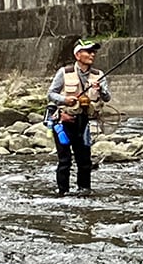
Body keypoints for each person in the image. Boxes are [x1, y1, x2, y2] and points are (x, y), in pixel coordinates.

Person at [47, 38, 112, 196]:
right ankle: (63, 192)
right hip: (62, 122)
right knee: (65, 161)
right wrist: (65, 100)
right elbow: (51, 94)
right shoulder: (64, 72)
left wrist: (101, 89)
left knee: (85, 161)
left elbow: (107, 97)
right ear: (78, 55)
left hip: (84, 124)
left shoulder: (99, 75)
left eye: (94, 52)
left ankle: (84, 191)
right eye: (88, 51)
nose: (92, 54)